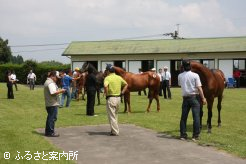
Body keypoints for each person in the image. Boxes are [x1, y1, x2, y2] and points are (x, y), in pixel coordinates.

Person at [178, 59, 207, 141]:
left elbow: (180, 84)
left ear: (183, 67)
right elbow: (199, 88)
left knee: (183, 117)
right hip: (194, 97)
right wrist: (203, 98)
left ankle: (183, 135)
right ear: (190, 66)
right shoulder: (195, 75)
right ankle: (195, 136)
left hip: (185, 98)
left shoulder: (180, 76)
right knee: (196, 117)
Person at [104, 64, 128, 136]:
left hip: (111, 98)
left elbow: (105, 86)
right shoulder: (119, 77)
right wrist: (122, 92)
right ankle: (113, 130)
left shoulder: (107, 78)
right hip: (118, 98)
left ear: (108, 71)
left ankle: (115, 131)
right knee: (115, 115)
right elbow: (126, 84)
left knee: (111, 116)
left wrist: (106, 92)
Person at [44, 71, 66, 137]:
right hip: (52, 103)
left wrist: (58, 90)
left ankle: (49, 132)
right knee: (52, 118)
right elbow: (53, 92)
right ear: (53, 76)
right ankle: (50, 132)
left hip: (51, 103)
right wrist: (61, 91)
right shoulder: (50, 83)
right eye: (56, 77)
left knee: (51, 117)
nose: (57, 79)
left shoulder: (48, 82)